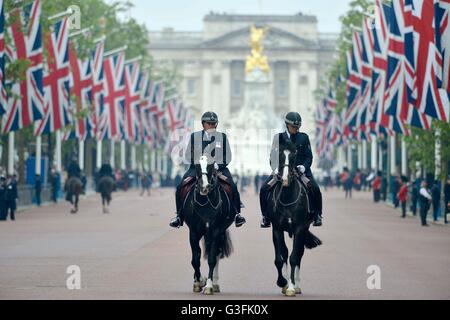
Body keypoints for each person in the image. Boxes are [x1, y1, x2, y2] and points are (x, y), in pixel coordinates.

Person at [169, 111, 246, 228]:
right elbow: (188, 155)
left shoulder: (222, 137)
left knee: (232, 185)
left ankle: (237, 214)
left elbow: (228, 156)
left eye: (213, 123)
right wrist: (200, 164)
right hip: (197, 168)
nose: (211, 125)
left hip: (218, 169)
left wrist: (217, 165)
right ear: (203, 124)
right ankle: (179, 216)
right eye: (209, 123)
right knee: (180, 186)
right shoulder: (195, 136)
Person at [259, 112, 323, 228]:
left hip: (300, 171)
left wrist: (303, 167)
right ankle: (265, 216)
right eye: (294, 126)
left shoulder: (304, 137)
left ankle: (317, 215)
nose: (296, 129)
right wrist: (278, 168)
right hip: (282, 171)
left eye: (298, 127)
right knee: (264, 189)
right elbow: (273, 157)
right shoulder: (278, 138)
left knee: (315, 188)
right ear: (287, 125)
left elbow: (309, 156)